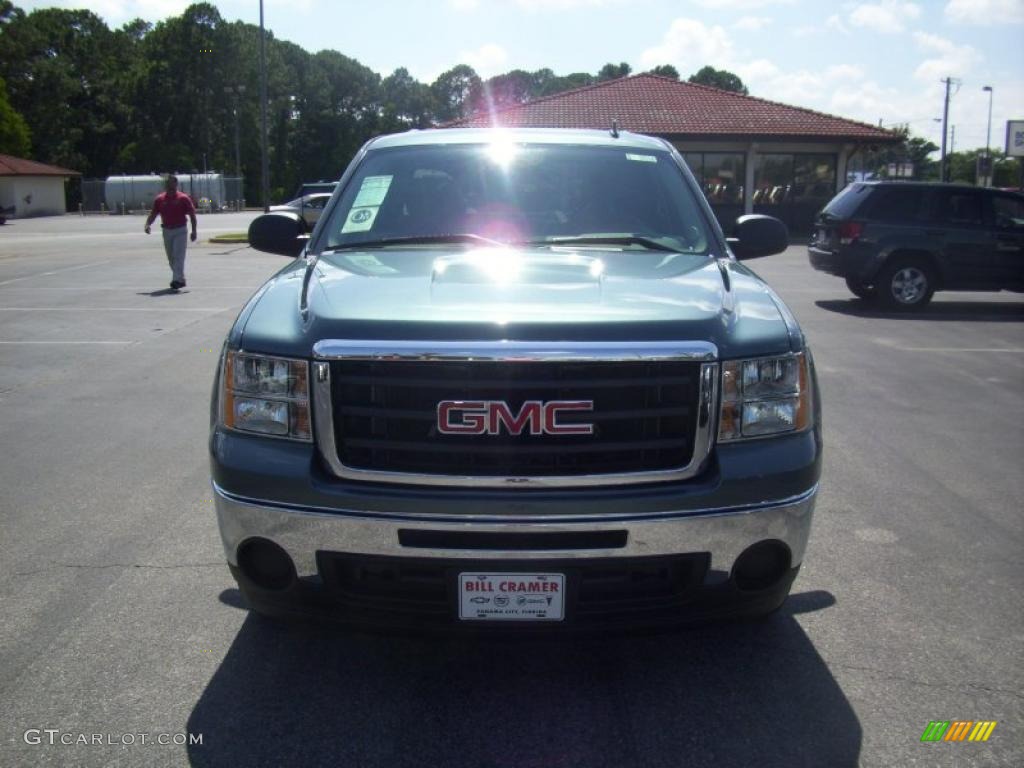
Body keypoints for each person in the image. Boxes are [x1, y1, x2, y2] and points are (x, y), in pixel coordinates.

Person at [145, 175, 197, 290]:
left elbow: (192, 215)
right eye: (168, 185)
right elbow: (153, 214)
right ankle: (180, 279)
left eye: (173, 185)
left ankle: (176, 280)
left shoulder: (183, 198)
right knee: (171, 258)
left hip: (180, 230)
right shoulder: (160, 199)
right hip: (167, 230)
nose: (170, 187)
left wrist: (194, 231)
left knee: (178, 256)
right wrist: (148, 224)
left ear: (176, 185)